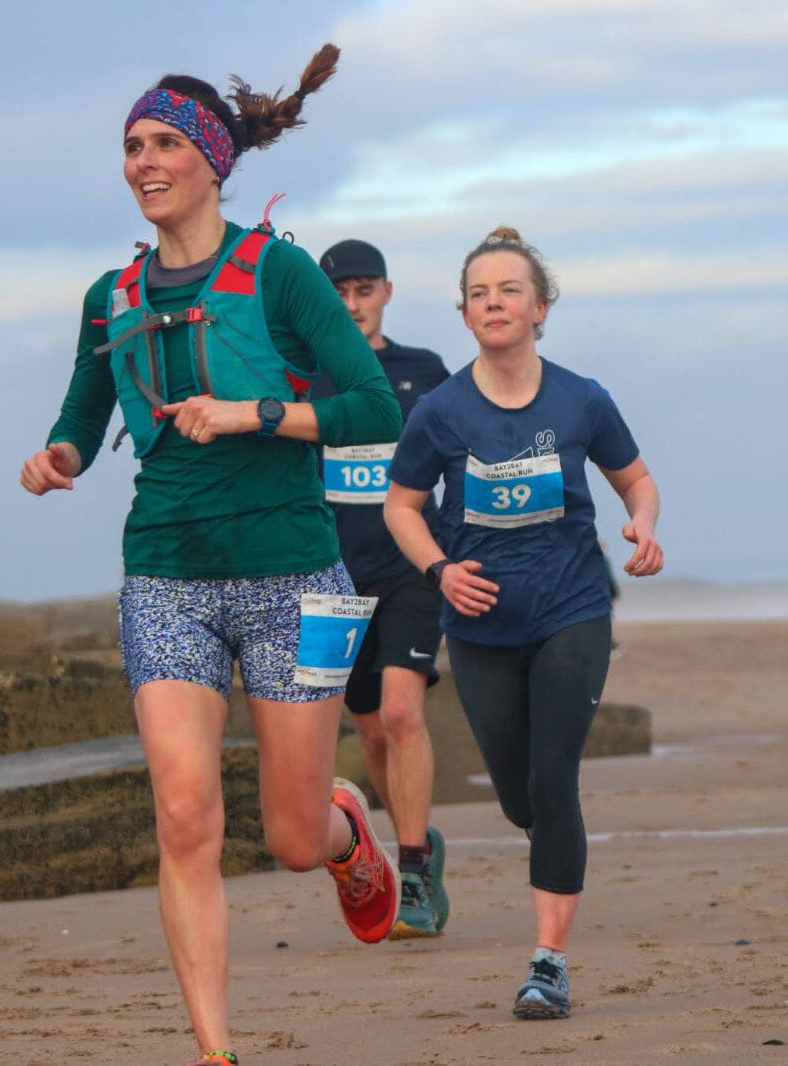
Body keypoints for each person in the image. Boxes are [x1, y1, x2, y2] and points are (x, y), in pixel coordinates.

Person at [19, 46, 405, 1066]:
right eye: (131, 146)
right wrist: (57, 458)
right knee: (185, 817)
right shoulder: (110, 294)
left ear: (212, 161)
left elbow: (373, 408)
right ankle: (215, 1052)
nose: (142, 162)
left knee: (290, 840)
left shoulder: (279, 272)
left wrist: (255, 413)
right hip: (166, 575)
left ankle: (345, 828)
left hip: (295, 574)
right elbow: (82, 414)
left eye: (162, 144)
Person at [381, 226, 664, 1020]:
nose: (494, 302)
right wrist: (440, 570)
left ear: (540, 308)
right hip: (479, 628)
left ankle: (548, 963)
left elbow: (636, 481)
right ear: (465, 315)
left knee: (552, 777)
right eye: (479, 293)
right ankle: (555, 844)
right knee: (520, 799)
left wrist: (642, 524)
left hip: (572, 610)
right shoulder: (440, 411)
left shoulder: (582, 399)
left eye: (510, 290)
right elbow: (400, 506)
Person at [313, 238, 451, 938]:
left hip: (410, 571)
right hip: (332, 578)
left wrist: (451, 550)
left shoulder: (424, 371)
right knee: (368, 729)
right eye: (338, 293)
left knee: (401, 714)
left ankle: (416, 868)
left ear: (387, 293)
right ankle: (411, 838)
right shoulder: (301, 377)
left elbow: (462, 458)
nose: (351, 304)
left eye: (364, 290)